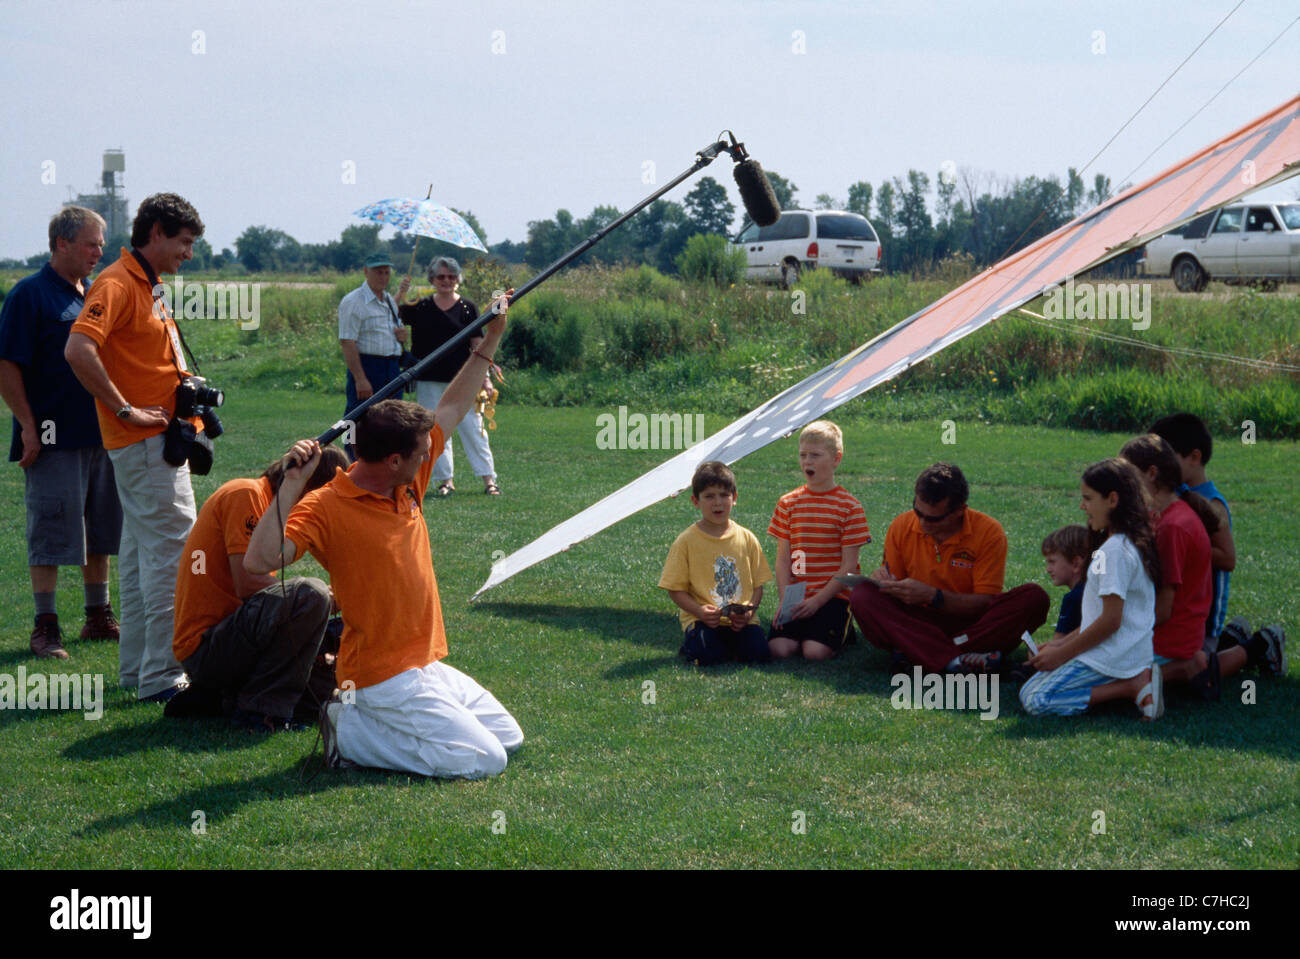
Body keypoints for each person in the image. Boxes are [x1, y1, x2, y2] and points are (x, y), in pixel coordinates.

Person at [244, 294, 522, 778]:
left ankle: (362, 725)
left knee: (509, 738)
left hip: (424, 661)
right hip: (379, 676)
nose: (429, 462)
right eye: (420, 455)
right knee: (484, 759)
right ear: (393, 459)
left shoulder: (406, 477)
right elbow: (259, 559)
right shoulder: (325, 505)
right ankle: (351, 734)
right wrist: (290, 485)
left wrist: (491, 336)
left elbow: (454, 403)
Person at [65, 193, 206, 702]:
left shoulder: (150, 284)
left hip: (157, 443)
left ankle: (137, 671)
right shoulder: (119, 283)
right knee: (174, 556)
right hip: (145, 444)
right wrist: (125, 408)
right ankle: (164, 677)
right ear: (157, 233)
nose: (188, 253)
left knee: (144, 557)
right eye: (184, 242)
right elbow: (78, 349)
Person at [0, 207, 122, 659]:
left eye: (101, 244)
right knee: (51, 529)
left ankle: (97, 616)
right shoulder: (30, 295)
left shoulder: (92, 293)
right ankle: (45, 626)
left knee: (101, 528)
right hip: (51, 437)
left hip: (100, 432)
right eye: (91, 243)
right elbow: (7, 363)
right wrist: (29, 427)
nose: (99, 251)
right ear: (62, 244)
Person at [169, 446, 349, 731]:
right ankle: (261, 713)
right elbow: (248, 583)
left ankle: (220, 700)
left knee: (331, 691)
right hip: (206, 647)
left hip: (235, 640)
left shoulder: (271, 506)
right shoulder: (247, 494)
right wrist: (326, 599)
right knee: (310, 594)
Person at [851, 462, 1049, 674]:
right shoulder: (902, 525)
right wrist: (884, 582)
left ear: (959, 511)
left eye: (934, 518)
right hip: (918, 622)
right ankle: (960, 660)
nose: (923, 523)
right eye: (918, 513)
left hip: (970, 625)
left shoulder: (989, 532)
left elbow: (985, 603)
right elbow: (893, 588)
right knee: (863, 595)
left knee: (1033, 598)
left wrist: (933, 596)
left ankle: (921, 654)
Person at [1019, 458, 1163, 719]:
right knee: (1029, 689)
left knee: (1036, 700)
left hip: (1113, 656)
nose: (1082, 506)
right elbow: (1100, 618)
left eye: (1088, 498)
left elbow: (1110, 621)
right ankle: (1130, 684)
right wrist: (1058, 646)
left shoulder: (1115, 551)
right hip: (1122, 652)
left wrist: (1062, 654)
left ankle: (1131, 686)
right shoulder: (1129, 542)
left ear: (1112, 499)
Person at [767, 421, 871, 660]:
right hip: (797, 597)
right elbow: (783, 559)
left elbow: (850, 568)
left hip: (832, 597)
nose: (807, 462)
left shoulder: (850, 507)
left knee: (814, 653)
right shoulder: (787, 503)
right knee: (779, 650)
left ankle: (843, 630)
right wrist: (785, 600)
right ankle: (811, 628)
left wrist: (818, 601)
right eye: (802, 455)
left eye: (815, 455)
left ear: (836, 459)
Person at [397, 256, 500, 495]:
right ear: (432, 279)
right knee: (434, 431)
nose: (446, 281)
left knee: (474, 429)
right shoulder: (419, 306)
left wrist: (485, 378)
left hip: (464, 380)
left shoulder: (468, 308)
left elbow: (479, 344)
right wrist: (400, 293)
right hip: (428, 379)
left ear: (458, 279)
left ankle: (489, 480)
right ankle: (445, 481)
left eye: (451, 276)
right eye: (441, 276)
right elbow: (392, 316)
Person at [659, 460, 771, 665]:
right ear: (695, 501)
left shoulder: (747, 538)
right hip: (703, 620)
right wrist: (698, 611)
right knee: (709, 655)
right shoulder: (686, 541)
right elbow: (675, 589)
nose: (717, 503)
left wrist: (749, 610)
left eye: (724, 495)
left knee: (759, 655)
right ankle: (694, 644)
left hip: (741, 622)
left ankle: (734, 644)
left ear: (734, 498)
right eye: (709, 496)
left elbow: (758, 586)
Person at [1148, 413, 1236, 651]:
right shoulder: (1171, 495)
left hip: (1204, 622)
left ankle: (1253, 648)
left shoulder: (1213, 504)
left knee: (1195, 670)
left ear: (1194, 457)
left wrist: (1189, 546)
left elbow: (1228, 559)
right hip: (1177, 609)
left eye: (1166, 457)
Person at [338, 252, 408, 460]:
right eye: (378, 272)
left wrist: (401, 336)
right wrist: (360, 378)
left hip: (392, 368)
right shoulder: (354, 301)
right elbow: (347, 341)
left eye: (386, 272)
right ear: (366, 272)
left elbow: (392, 330)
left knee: (393, 419)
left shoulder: (388, 300)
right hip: (368, 366)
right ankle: (352, 462)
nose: (383, 277)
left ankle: (383, 463)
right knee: (356, 418)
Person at [1042, 525, 1089, 641]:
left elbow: (1057, 644)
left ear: (1075, 564)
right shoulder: (1093, 591)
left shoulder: (1073, 599)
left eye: (1052, 562)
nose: (1048, 569)